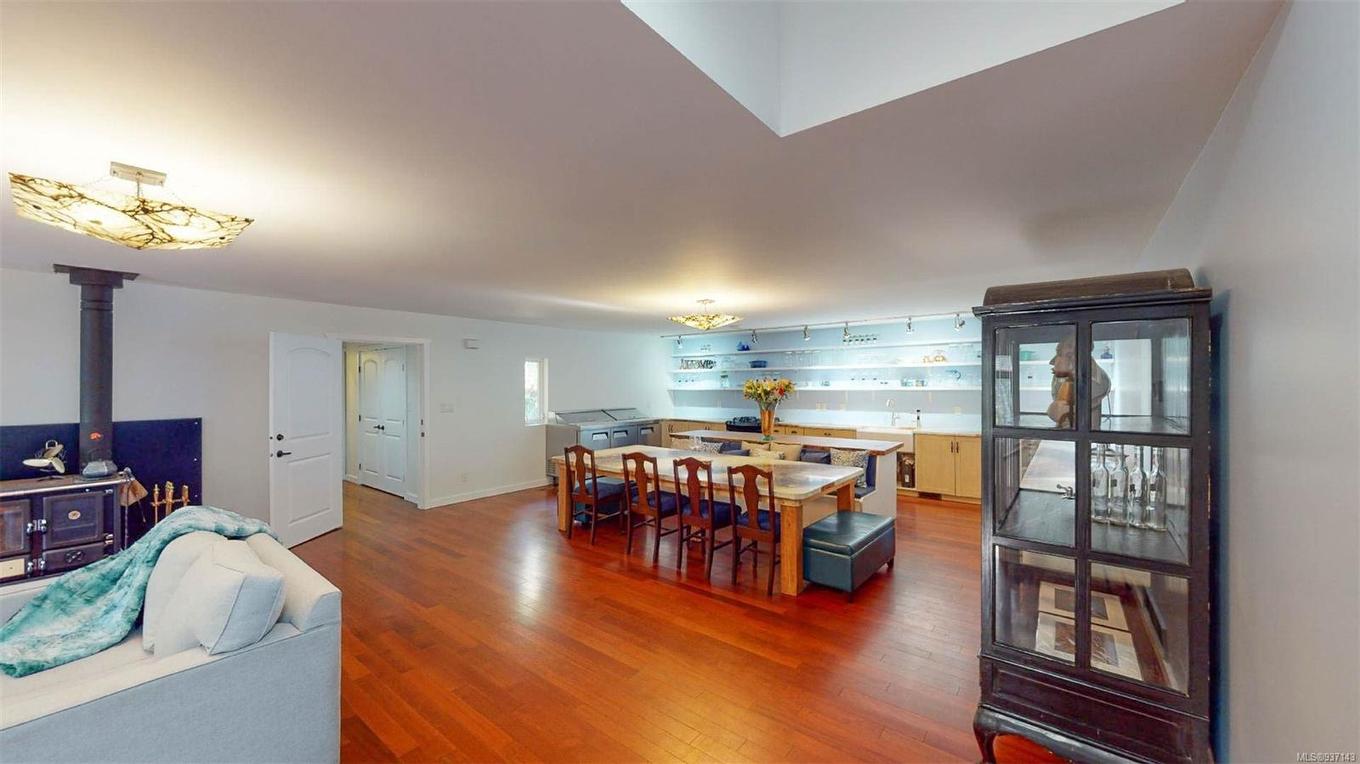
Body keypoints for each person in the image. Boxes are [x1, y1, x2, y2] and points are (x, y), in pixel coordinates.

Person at [1047, 336, 1110, 428]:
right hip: (1068, 434)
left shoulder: (1097, 381)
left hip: (1083, 434)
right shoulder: (1065, 373)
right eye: (1059, 353)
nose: (1058, 361)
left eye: (1067, 355)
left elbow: (1059, 412)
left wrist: (1053, 410)